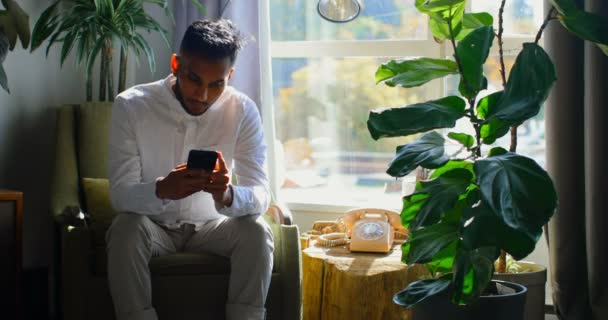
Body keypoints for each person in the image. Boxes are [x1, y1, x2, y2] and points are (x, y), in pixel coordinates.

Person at [106, 19, 273, 320]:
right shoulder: (130, 106)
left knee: (258, 232)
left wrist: (228, 194)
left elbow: (262, 194)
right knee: (124, 230)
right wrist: (162, 189)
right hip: (154, 227)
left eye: (216, 84)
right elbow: (120, 195)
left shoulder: (244, 110)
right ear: (175, 64)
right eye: (194, 79)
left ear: (230, 75)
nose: (203, 95)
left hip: (213, 227)